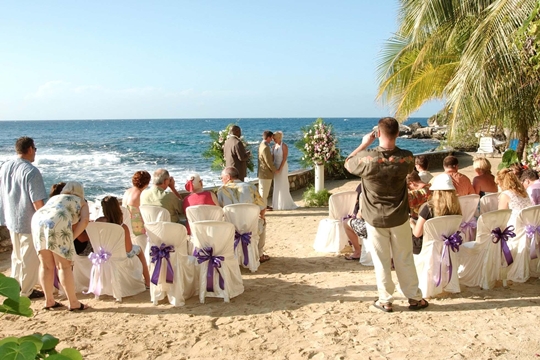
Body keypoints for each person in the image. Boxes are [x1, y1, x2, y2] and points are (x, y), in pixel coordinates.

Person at [345, 117, 427, 313]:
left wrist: (365, 143)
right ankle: (414, 297)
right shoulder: (407, 158)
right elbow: (409, 169)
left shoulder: (368, 159)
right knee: (404, 258)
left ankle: (386, 300)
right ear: (398, 133)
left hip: (374, 216)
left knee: (381, 260)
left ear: (378, 133)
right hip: (399, 215)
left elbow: (348, 163)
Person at [0, 136, 47, 299]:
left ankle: (16, 285)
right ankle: (26, 291)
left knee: (17, 256)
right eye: (35, 149)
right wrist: (44, 222)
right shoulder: (31, 172)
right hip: (28, 220)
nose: (35, 153)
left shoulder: (5, 167)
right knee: (29, 258)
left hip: (11, 218)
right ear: (30, 149)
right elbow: (37, 202)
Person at [31, 181, 90, 310]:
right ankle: (73, 302)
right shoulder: (81, 201)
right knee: (64, 266)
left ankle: (49, 300)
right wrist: (72, 237)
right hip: (57, 221)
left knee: (46, 266)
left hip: (37, 220)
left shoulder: (55, 198)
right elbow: (85, 220)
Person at [217, 166, 270, 263]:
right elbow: (262, 207)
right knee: (262, 221)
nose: (221, 180)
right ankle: (260, 254)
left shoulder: (221, 190)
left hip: (231, 227)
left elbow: (219, 209)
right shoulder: (251, 187)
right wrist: (261, 217)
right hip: (250, 226)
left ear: (228, 177)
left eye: (222, 178)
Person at [96, 196, 151, 288]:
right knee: (139, 250)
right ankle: (148, 281)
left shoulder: (98, 222)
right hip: (120, 255)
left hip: (104, 254)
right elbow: (128, 249)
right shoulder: (122, 227)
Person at [411, 174, 462, 254]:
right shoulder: (456, 207)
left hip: (427, 249)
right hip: (448, 247)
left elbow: (417, 234)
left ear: (436, 192)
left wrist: (412, 224)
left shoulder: (428, 208)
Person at [50, 182, 92, 256]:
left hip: (48, 233)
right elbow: (81, 237)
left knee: (46, 266)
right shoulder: (77, 203)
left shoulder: (54, 201)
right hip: (76, 247)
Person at [272, 131, 298, 211]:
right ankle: (276, 204)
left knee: (283, 183)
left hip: (282, 166)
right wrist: (273, 168)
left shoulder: (284, 146)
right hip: (275, 166)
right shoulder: (273, 146)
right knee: (276, 184)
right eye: (273, 138)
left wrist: (280, 168)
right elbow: (272, 158)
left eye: (275, 138)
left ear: (279, 138)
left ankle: (284, 204)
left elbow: (284, 158)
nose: (274, 140)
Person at [122, 170, 152, 236]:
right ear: (146, 183)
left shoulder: (127, 191)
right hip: (137, 228)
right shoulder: (141, 194)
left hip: (126, 225)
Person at [343, 183, 367, 261]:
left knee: (346, 223)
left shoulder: (364, 188)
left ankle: (357, 252)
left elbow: (361, 214)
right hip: (397, 225)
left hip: (371, 227)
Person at [257, 130, 277, 210]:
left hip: (261, 173)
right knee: (264, 193)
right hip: (266, 174)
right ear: (268, 137)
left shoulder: (261, 145)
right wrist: (275, 170)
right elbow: (268, 162)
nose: (272, 140)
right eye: (271, 138)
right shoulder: (265, 147)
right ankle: (263, 208)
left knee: (262, 191)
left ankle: (263, 206)